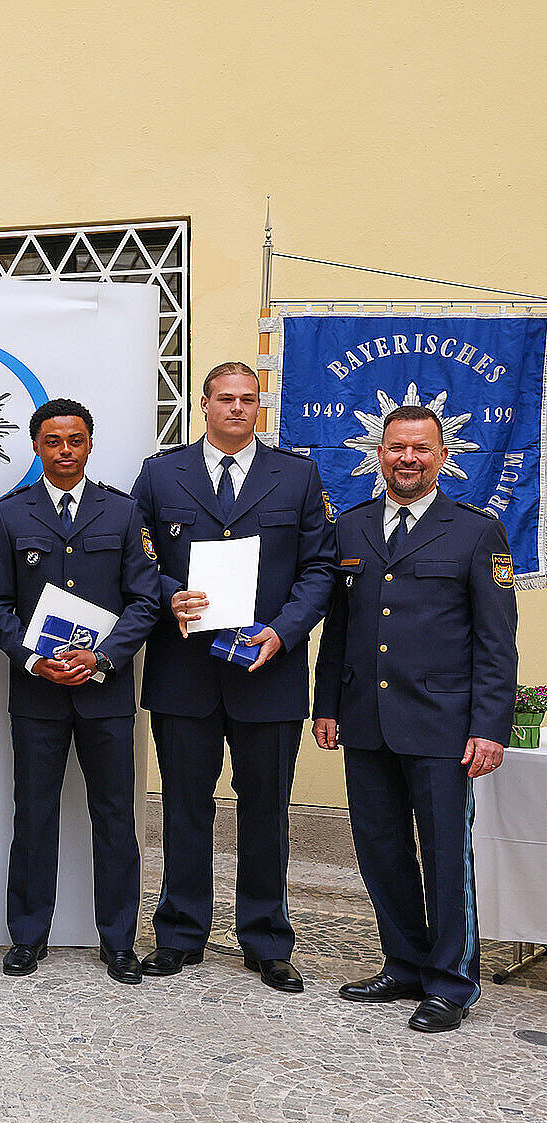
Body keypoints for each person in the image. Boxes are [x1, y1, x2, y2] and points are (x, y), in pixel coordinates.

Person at [131, 361, 335, 993]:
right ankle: (179, 933)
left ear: (259, 407)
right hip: (185, 671)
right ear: (204, 403)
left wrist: (284, 631)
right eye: (226, 398)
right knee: (184, 807)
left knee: (266, 810)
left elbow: (320, 568)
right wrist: (168, 594)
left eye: (249, 399)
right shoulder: (161, 474)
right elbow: (136, 557)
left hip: (266, 671)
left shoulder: (297, 477)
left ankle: (267, 940)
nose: (238, 408)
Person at [313, 405, 517, 1033]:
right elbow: (340, 628)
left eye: (421, 449)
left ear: (442, 457)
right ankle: (403, 964)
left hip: (442, 725)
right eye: (397, 448)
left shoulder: (477, 532)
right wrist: (327, 705)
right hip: (365, 718)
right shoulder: (352, 527)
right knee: (380, 850)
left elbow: (496, 642)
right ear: (379, 453)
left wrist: (490, 726)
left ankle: (452, 981)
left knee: (446, 856)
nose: (408, 459)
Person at [0, 399, 162, 986]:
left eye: (75, 440)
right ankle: (28, 936)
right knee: (34, 815)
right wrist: (34, 660)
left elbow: (145, 601)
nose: (65, 451)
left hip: (105, 693)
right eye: (53, 441)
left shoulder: (123, 512)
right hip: (38, 695)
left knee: (115, 818)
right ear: (36, 447)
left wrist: (103, 658)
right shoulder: (10, 515)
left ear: (89, 444)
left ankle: (119, 941)